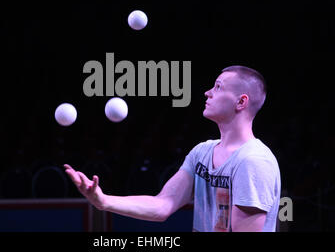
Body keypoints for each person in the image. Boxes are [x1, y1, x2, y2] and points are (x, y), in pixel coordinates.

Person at [64, 65, 281, 232]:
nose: (207, 92)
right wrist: (103, 201)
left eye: (218, 87)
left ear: (241, 102)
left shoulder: (253, 161)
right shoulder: (201, 153)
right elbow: (163, 204)